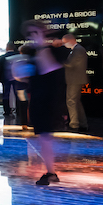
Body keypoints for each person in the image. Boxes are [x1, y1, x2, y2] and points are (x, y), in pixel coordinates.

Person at [23, 20, 68, 185]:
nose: (32, 37)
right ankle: (50, 172)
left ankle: (51, 172)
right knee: (44, 138)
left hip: (49, 102)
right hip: (39, 101)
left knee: (46, 138)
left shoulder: (53, 52)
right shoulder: (34, 53)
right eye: (30, 34)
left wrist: (41, 46)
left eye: (35, 32)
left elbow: (47, 68)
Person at [62, 33, 89, 131]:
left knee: (71, 101)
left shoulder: (78, 50)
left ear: (71, 40)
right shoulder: (76, 50)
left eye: (65, 42)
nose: (64, 45)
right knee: (76, 101)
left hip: (75, 79)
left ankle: (74, 124)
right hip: (74, 79)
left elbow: (70, 64)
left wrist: (59, 62)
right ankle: (82, 123)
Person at [0, 42, 18, 117]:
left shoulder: (2, 57)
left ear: (7, 47)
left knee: (6, 95)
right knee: (17, 94)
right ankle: (18, 111)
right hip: (17, 78)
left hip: (5, 78)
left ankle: (7, 111)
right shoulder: (18, 56)